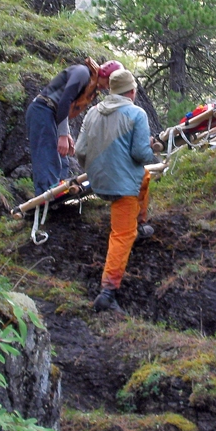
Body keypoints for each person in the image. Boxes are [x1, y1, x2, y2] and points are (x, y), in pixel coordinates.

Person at [75, 69, 159, 313]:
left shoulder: (92, 112)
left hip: (97, 181)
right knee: (122, 235)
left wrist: (96, 170)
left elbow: (80, 151)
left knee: (144, 177)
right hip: (122, 187)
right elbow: (141, 155)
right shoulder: (136, 113)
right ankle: (108, 292)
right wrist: (153, 146)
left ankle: (141, 223)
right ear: (131, 91)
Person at [26, 58, 123, 197]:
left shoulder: (92, 84)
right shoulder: (82, 73)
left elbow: (66, 108)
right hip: (42, 110)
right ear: (105, 74)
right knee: (47, 155)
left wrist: (66, 134)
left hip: (51, 114)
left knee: (62, 157)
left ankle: (59, 191)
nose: (107, 87)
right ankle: (46, 196)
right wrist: (63, 134)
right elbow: (64, 100)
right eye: (108, 82)